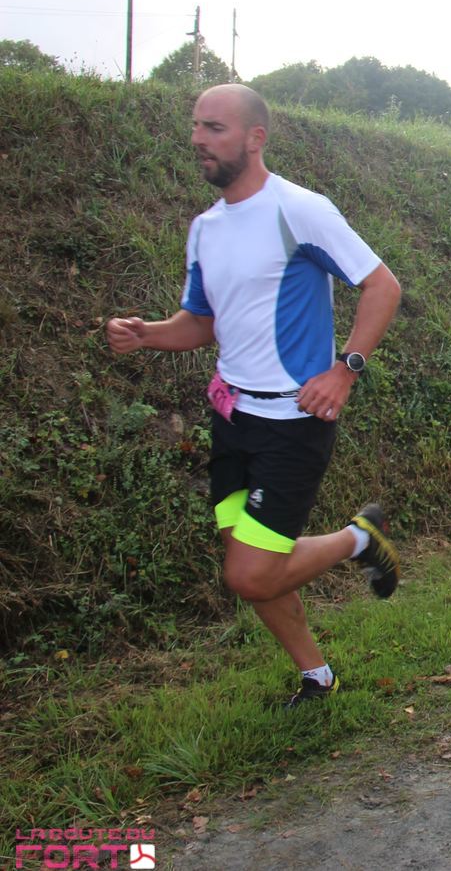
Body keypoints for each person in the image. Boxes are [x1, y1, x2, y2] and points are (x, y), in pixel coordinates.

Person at [105, 84, 403, 709]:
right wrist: (146, 334)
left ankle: (358, 539)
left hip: (293, 420)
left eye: (214, 128)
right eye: (196, 126)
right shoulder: (205, 229)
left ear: (255, 137)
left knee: (250, 572)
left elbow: (382, 286)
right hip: (232, 418)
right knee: (254, 559)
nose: (197, 139)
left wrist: (345, 369)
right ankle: (317, 677)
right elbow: (201, 322)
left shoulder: (298, 210)